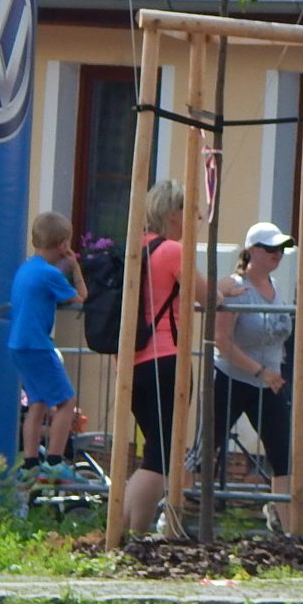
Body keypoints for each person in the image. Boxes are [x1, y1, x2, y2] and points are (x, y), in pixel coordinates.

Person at [211, 222, 297, 532]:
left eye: (281, 249)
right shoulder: (236, 288)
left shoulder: (276, 289)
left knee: (282, 455)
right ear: (252, 252)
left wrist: (275, 372)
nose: (278, 254)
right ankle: (173, 511)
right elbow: (222, 341)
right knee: (205, 447)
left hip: (270, 384)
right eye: (271, 249)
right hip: (230, 379)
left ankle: (289, 529)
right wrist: (260, 370)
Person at [125, 180, 191, 533]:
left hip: (134, 362)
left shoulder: (136, 249)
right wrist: (227, 286)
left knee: (155, 448)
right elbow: (204, 292)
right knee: (161, 456)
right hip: (167, 358)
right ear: (171, 213)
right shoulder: (171, 251)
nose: (190, 218)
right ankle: (129, 531)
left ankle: (121, 531)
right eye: (185, 210)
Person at [9, 211, 86, 481]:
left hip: (18, 344)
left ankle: (30, 463)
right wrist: (74, 266)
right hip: (38, 345)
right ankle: (54, 460)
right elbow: (81, 298)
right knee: (67, 402)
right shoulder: (49, 273)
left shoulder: (27, 268)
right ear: (63, 244)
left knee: (37, 403)